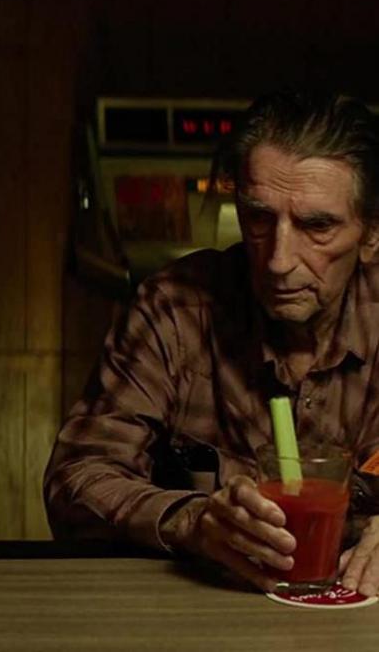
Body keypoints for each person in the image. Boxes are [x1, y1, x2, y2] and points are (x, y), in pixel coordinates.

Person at [46, 88, 379, 595]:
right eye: (259, 218)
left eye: (317, 226)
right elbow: (75, 478)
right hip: (201, 615)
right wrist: (191, 521)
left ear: (372, 233)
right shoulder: (176, 308)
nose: (278, 261)